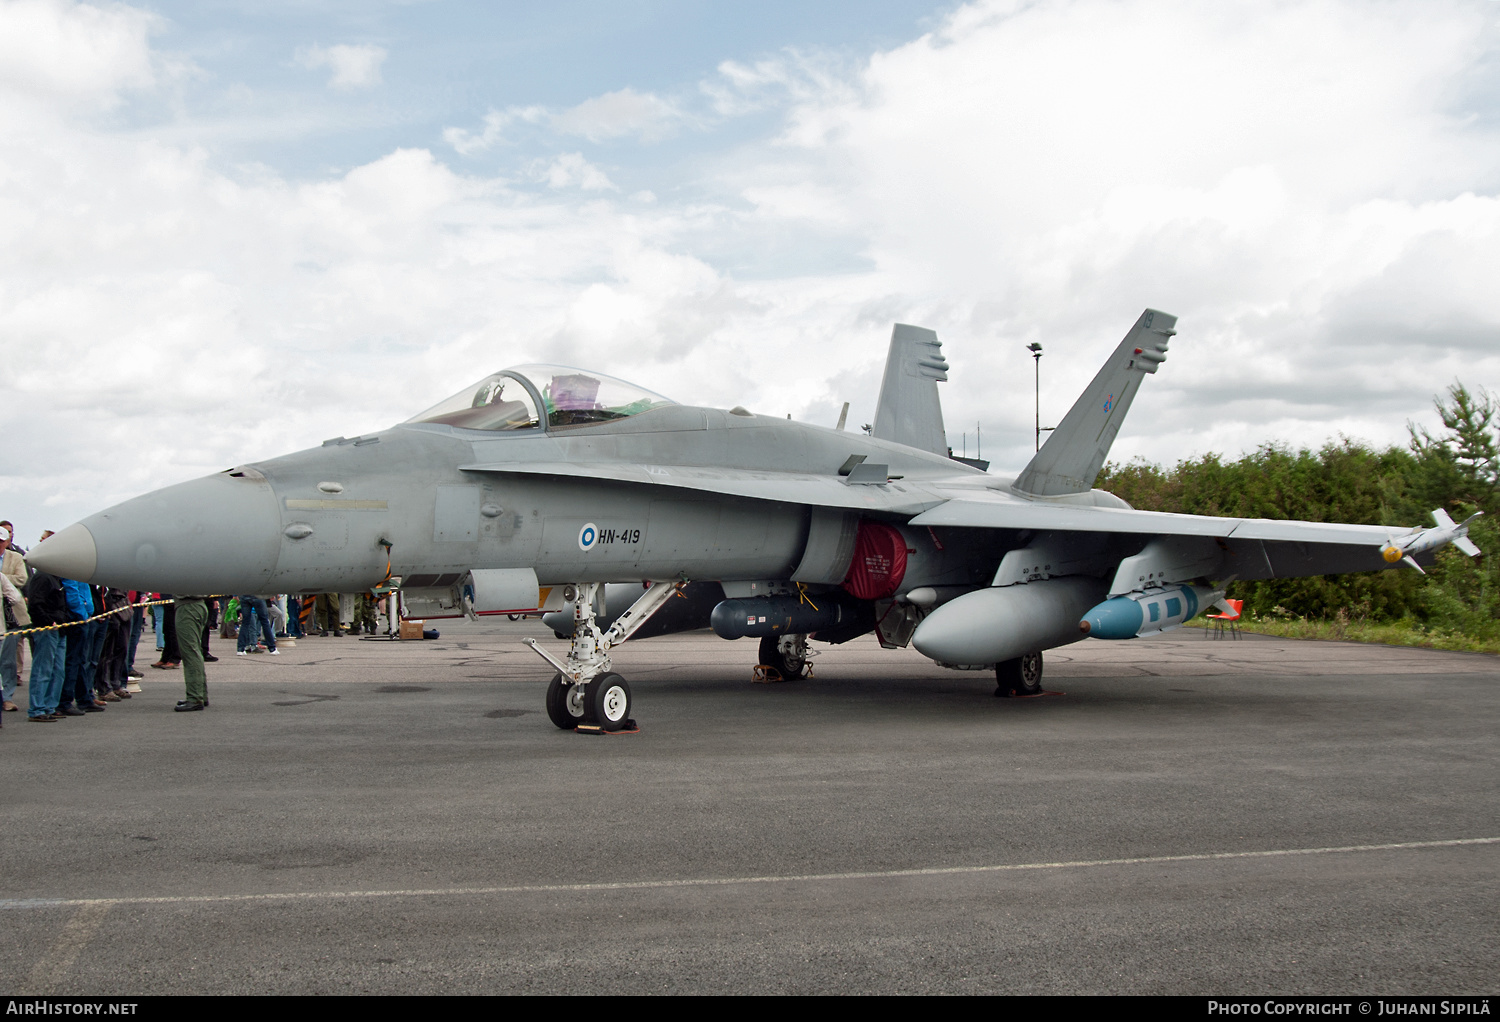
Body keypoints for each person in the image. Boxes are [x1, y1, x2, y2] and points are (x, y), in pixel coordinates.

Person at [24, 567, 70, 722]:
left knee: (58, 670)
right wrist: (48, 621)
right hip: (47, 629)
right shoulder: (43, 577)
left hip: (59, 628)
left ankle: (50, 706)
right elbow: (35, 605)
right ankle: (37, 708)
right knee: (43, 669)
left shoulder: (56, 577)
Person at [1, 525, 28, 712]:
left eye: (1, 541)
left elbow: (21, 579)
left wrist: (2, 577)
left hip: (10, 617)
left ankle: (7, 697)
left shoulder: (16, 557)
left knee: (8, 660)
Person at [174, 595, 211, 711]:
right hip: (195, 605)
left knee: (190, 652)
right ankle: (200, 694)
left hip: (188, 606)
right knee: (195, 651)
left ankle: (195, 697)